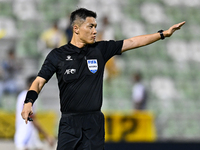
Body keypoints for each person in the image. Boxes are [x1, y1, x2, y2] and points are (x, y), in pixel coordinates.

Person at [21, 8, 185, 150]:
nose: (95, 31)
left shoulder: (100, 50)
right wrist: (29, 102)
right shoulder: (57, 55)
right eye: (90, 26)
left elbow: (133, 42)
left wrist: (163, 34)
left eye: (96, 27)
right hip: (69, 123)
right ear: (76, 28)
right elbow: (39, 81)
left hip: (94, 123)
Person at [14, 75, 54, 150]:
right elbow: (33, 120)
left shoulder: (22, 96)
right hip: (26, 136)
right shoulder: (28, 98)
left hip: (26, 134)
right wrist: (47, 136)